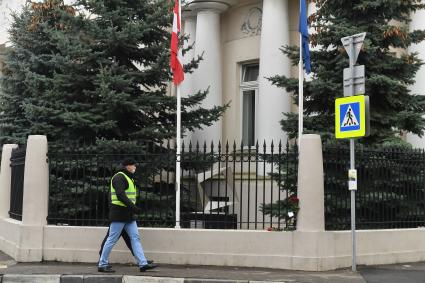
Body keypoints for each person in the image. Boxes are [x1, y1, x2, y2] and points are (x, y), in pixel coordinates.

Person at [98, 158, 157, 273]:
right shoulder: (119, 177)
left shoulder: (128, 178)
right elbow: (120, 195)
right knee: (112, 239)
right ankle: (102, 264)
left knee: (135, 238)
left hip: (129, 215)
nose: (135, 167)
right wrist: (134, 207)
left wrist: (132, 209)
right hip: (119, 214)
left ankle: (143, 264)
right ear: (127, 166)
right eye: (133, 165)